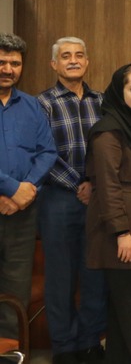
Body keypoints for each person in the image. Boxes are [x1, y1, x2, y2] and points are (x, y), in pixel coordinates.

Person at [36, 36, 107, 363]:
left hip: (97, 198)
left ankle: (90, 342)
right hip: (58, 199)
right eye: (66, 56)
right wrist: (79, 183)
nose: (74, 60)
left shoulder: (102, 101)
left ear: (87, 62)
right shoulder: (42, 103)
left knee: (94, 275)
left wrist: (93, 182)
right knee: (60, 279)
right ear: (55, 64)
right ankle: (64, 347)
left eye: (79, 55)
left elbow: (110, 148)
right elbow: (41, 153)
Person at [85, 63, 131, 364]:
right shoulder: (109, 131)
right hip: (121, 230)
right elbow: (107, 185)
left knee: (122, 309)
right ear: (119, 91)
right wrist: (121, 232)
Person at [0, 33, 57, 341]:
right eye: (2, 62)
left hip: (22, 214)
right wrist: (11, 188)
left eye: (15, 63)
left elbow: (47, 152)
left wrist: (26, 190)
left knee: (16, 287)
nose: (8, 69)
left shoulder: (32, 106)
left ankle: (10, 352)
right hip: (13, 199)